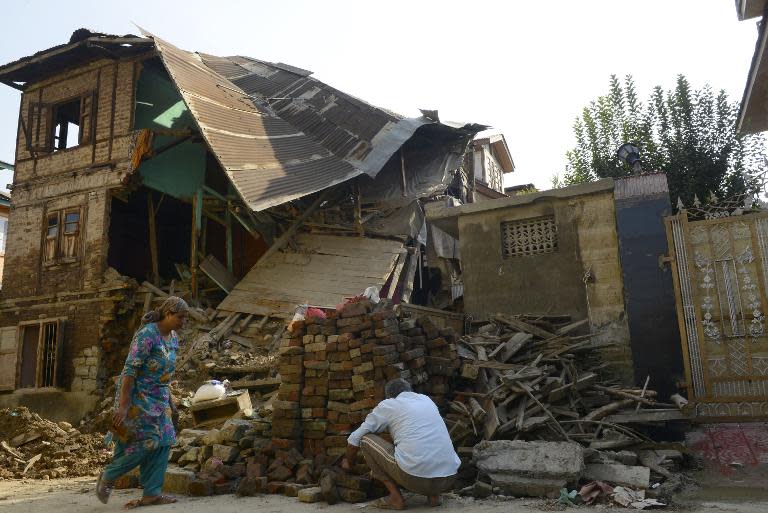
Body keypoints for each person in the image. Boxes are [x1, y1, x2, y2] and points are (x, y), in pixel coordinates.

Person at [96, 296, 189, 508]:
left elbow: (166, 374)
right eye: (180, 317)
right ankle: (109, 476)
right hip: (137, 399)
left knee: (164, 443)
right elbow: (129, 371)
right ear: (168, 314)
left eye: (186, 319)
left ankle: (152, 494)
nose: (183, 322)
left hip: (159, 399)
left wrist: (171, 403)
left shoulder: (173, 338)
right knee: (143, 444)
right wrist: (123, 405)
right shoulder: (147, 335)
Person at [341, 378, 460, 510]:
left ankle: (395, 498)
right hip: (448, 478)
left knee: (365, 439)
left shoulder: (389, 405)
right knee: (426, 440)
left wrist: (349, 464)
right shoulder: (426, 400)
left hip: (415, 478)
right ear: (409, 391)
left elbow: (354, 439)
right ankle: (434, 497)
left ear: (390, 396)